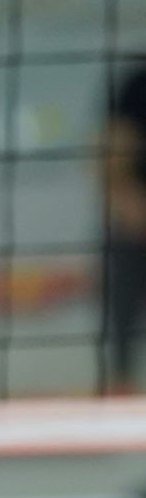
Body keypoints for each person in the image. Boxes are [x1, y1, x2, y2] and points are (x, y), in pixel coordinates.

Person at [99, 57, 146, 393]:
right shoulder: (138, 85)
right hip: (136, 224)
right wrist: (131, 206)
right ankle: (120, 381)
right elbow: (110, 151)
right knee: (122, 324)